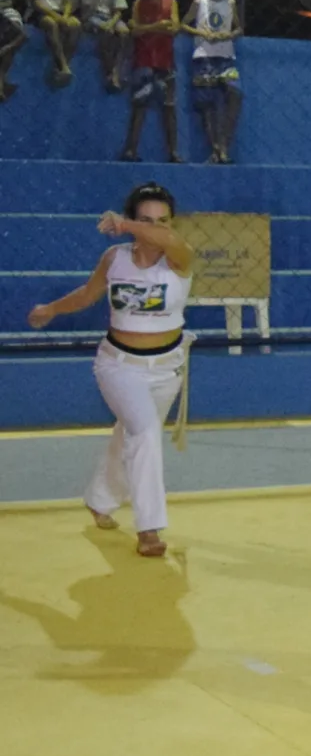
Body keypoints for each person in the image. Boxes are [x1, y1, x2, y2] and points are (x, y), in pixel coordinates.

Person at [25, 184, 198, 558]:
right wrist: (51, 309)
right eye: (144, 219)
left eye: (163, 221)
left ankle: (100, 498)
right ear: (133, 219)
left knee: (131, 436)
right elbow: (88, 295)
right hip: (119, 366)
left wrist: (127, 224)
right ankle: (149, 527)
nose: (155, 228)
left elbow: (167, 240)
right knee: (146, 433)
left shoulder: (180, 257)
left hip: (167, 368)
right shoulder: (114, 258)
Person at [119, 0, 183, 163]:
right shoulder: (139, 4)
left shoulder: (170, 3)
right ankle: (130, 149)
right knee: (139, 106)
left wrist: (147, 27)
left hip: (165, 61)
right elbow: (135, 32)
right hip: (144, 60)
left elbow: (174, 28)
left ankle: (173, 152)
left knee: (169, 108)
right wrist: (158, 26)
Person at [184, 0, 242, 163]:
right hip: (204, 55)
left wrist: (229, 35)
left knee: (234, 94)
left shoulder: (230, 3)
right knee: (208, 104)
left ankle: (224, 143)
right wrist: (201, 32)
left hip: (225, 55)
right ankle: (216, 149)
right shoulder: (199, 2)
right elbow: (183, 24)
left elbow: (239, 28)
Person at [71, 0, 129, 91]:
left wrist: (111, 22)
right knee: (105, 31)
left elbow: (118, 10)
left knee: (124, 32)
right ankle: (110, 72)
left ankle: (117, 68)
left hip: (109, 17)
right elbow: (73, 2)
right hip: (90, 17)